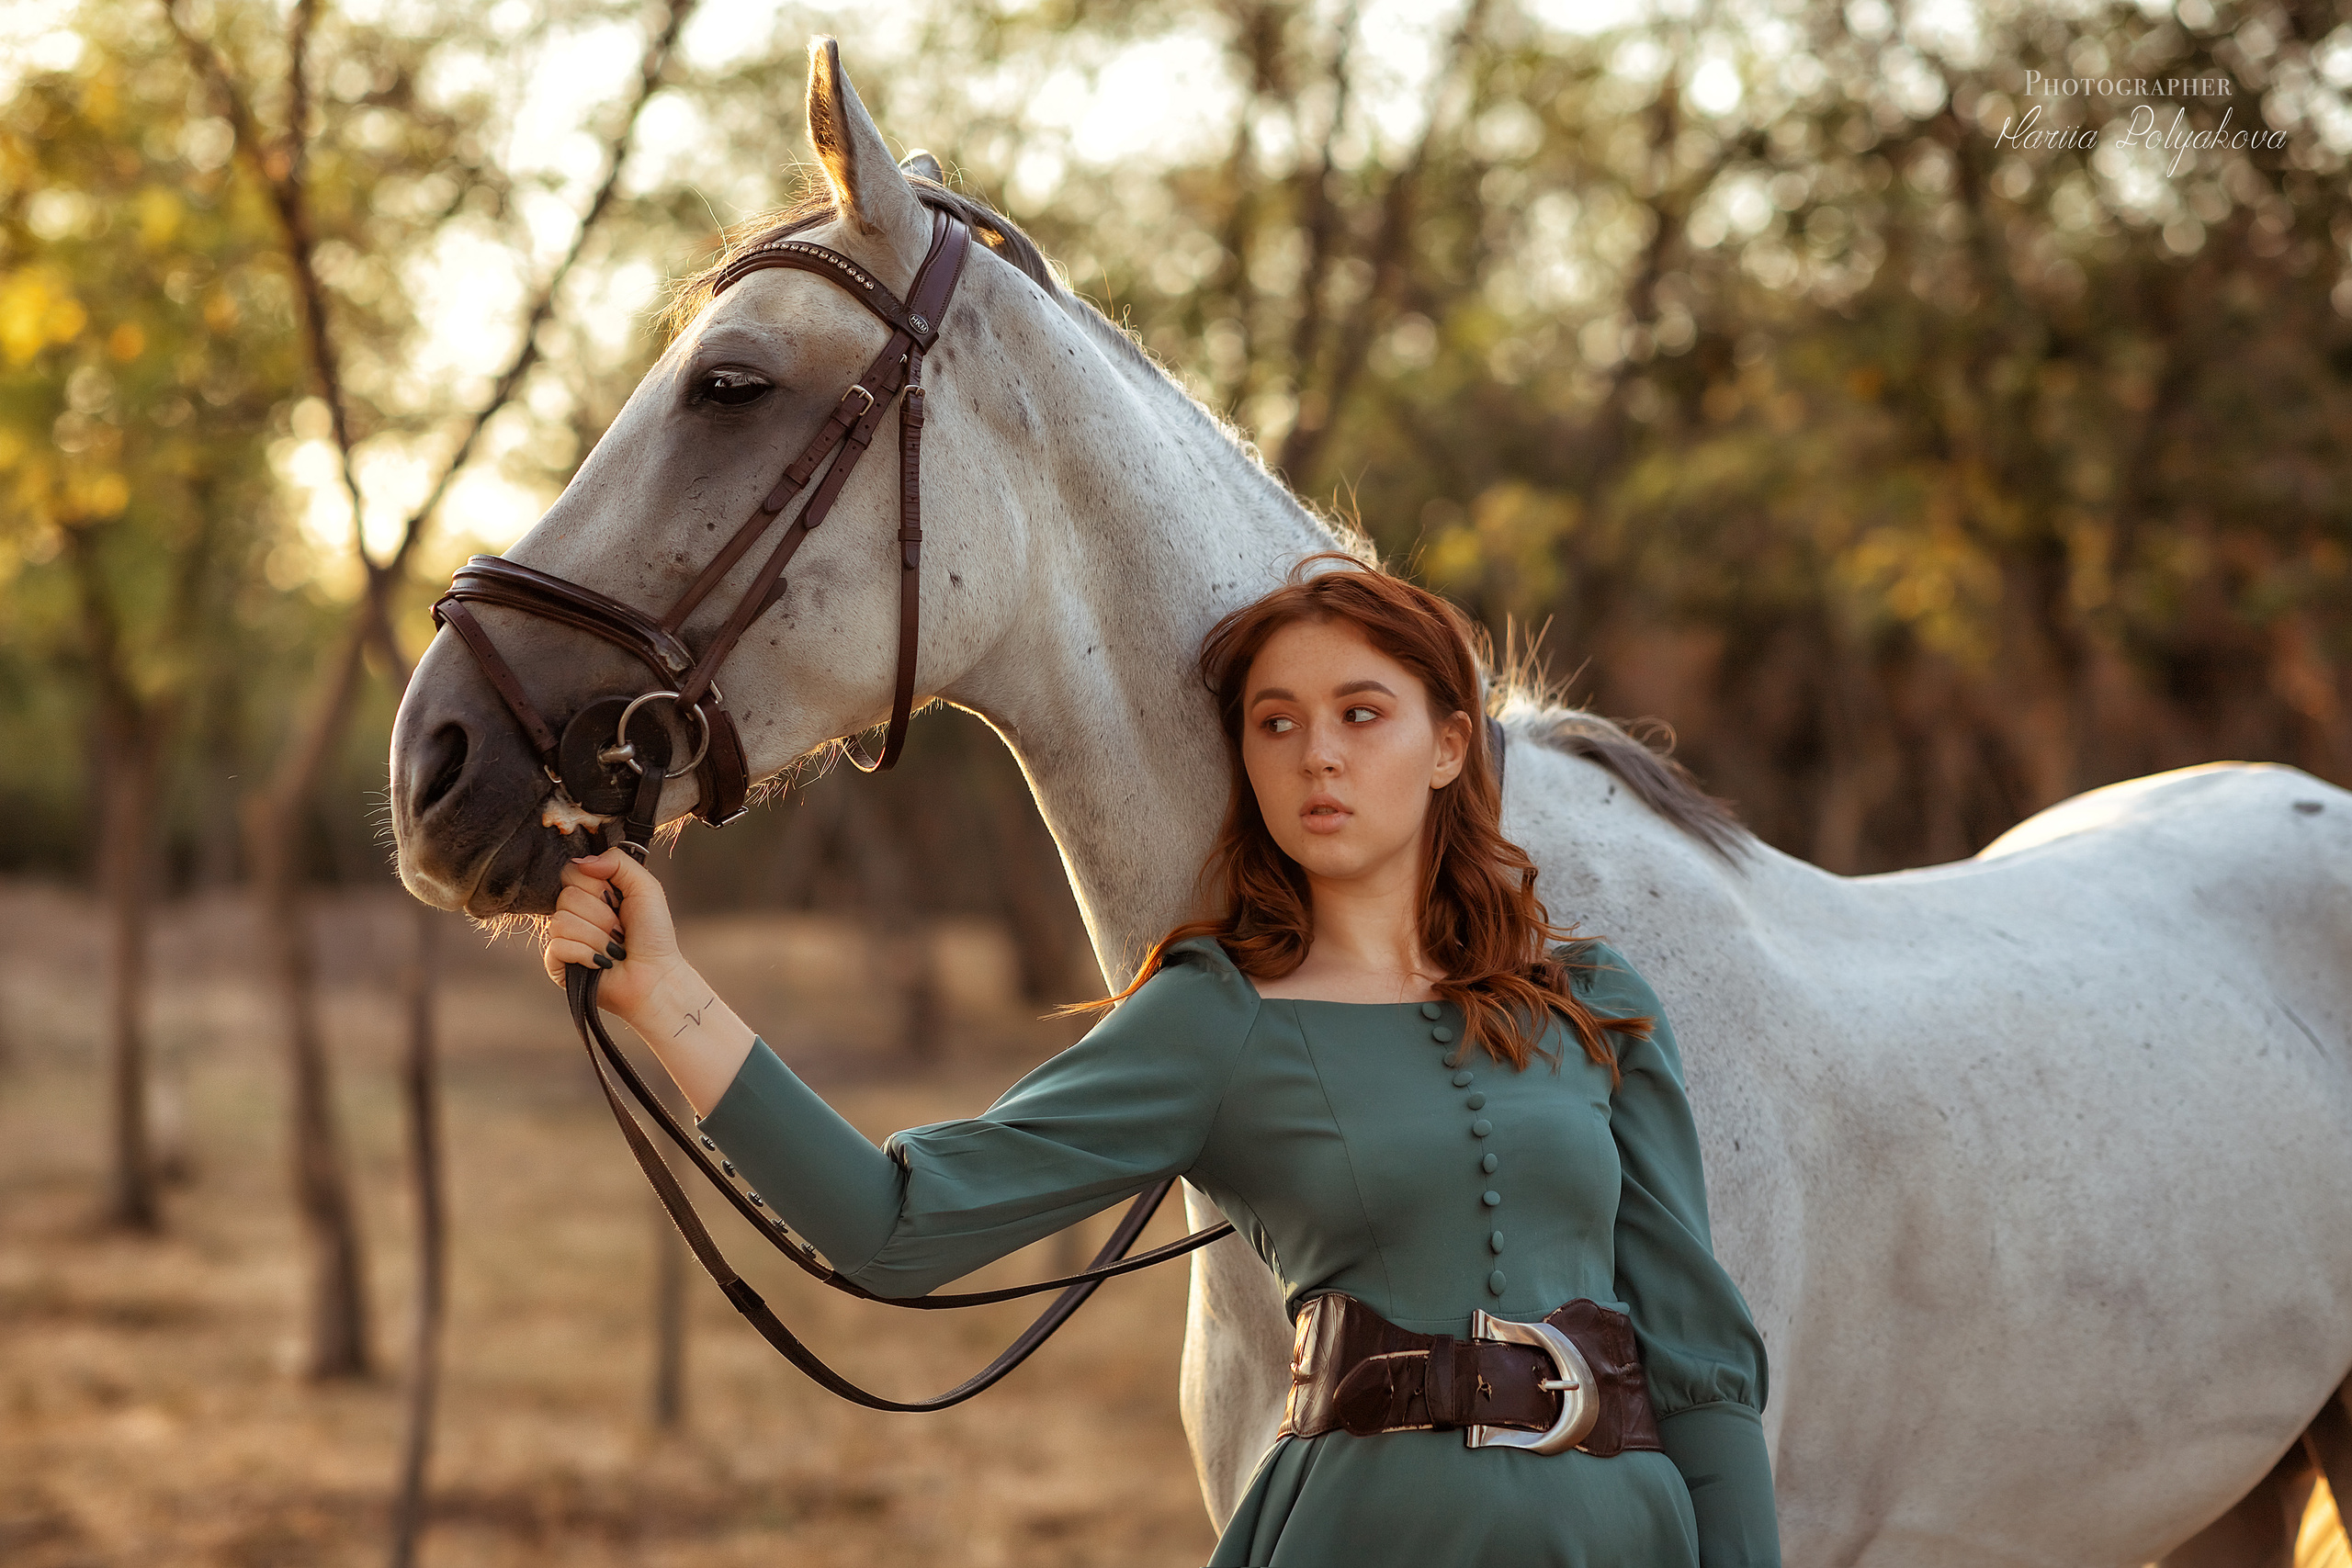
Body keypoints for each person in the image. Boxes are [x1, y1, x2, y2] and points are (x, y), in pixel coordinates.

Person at [543, 556, 1781, 1567]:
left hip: (1627, 1538)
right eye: (1275, 724)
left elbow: (1699, 1364)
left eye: (1362, 714)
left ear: (1450, 746)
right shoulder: (1214, 1020)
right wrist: (668, 997)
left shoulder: (1596, 1004)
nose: (1319, 759)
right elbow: (896, 1227)